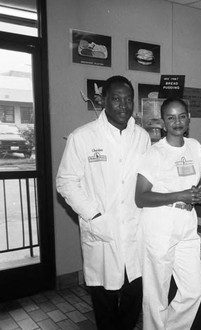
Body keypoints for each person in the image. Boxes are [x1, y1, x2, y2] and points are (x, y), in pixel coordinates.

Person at [56, 75, 150, 330]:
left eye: (128, 99)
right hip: (101, 231)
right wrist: (94, 216)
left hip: (134, 231)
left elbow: (148, 179)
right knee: (104, 301)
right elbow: (65, 182)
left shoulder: (142, 137)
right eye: (116, 99)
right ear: (103, 100)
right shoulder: (83, 136)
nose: (123, 105)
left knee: (133, 297)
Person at [135, 98, 201, 330]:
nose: (177, 122)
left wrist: (199, 192)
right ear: (163, 123)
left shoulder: (194, 146)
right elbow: (141, 197)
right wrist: (180, 196)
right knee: (156, 295)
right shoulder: (155, 153)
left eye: (181, 116)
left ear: (188, 118)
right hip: (160, 226)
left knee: (193, 291)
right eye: (171, 117)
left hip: (187, 225)